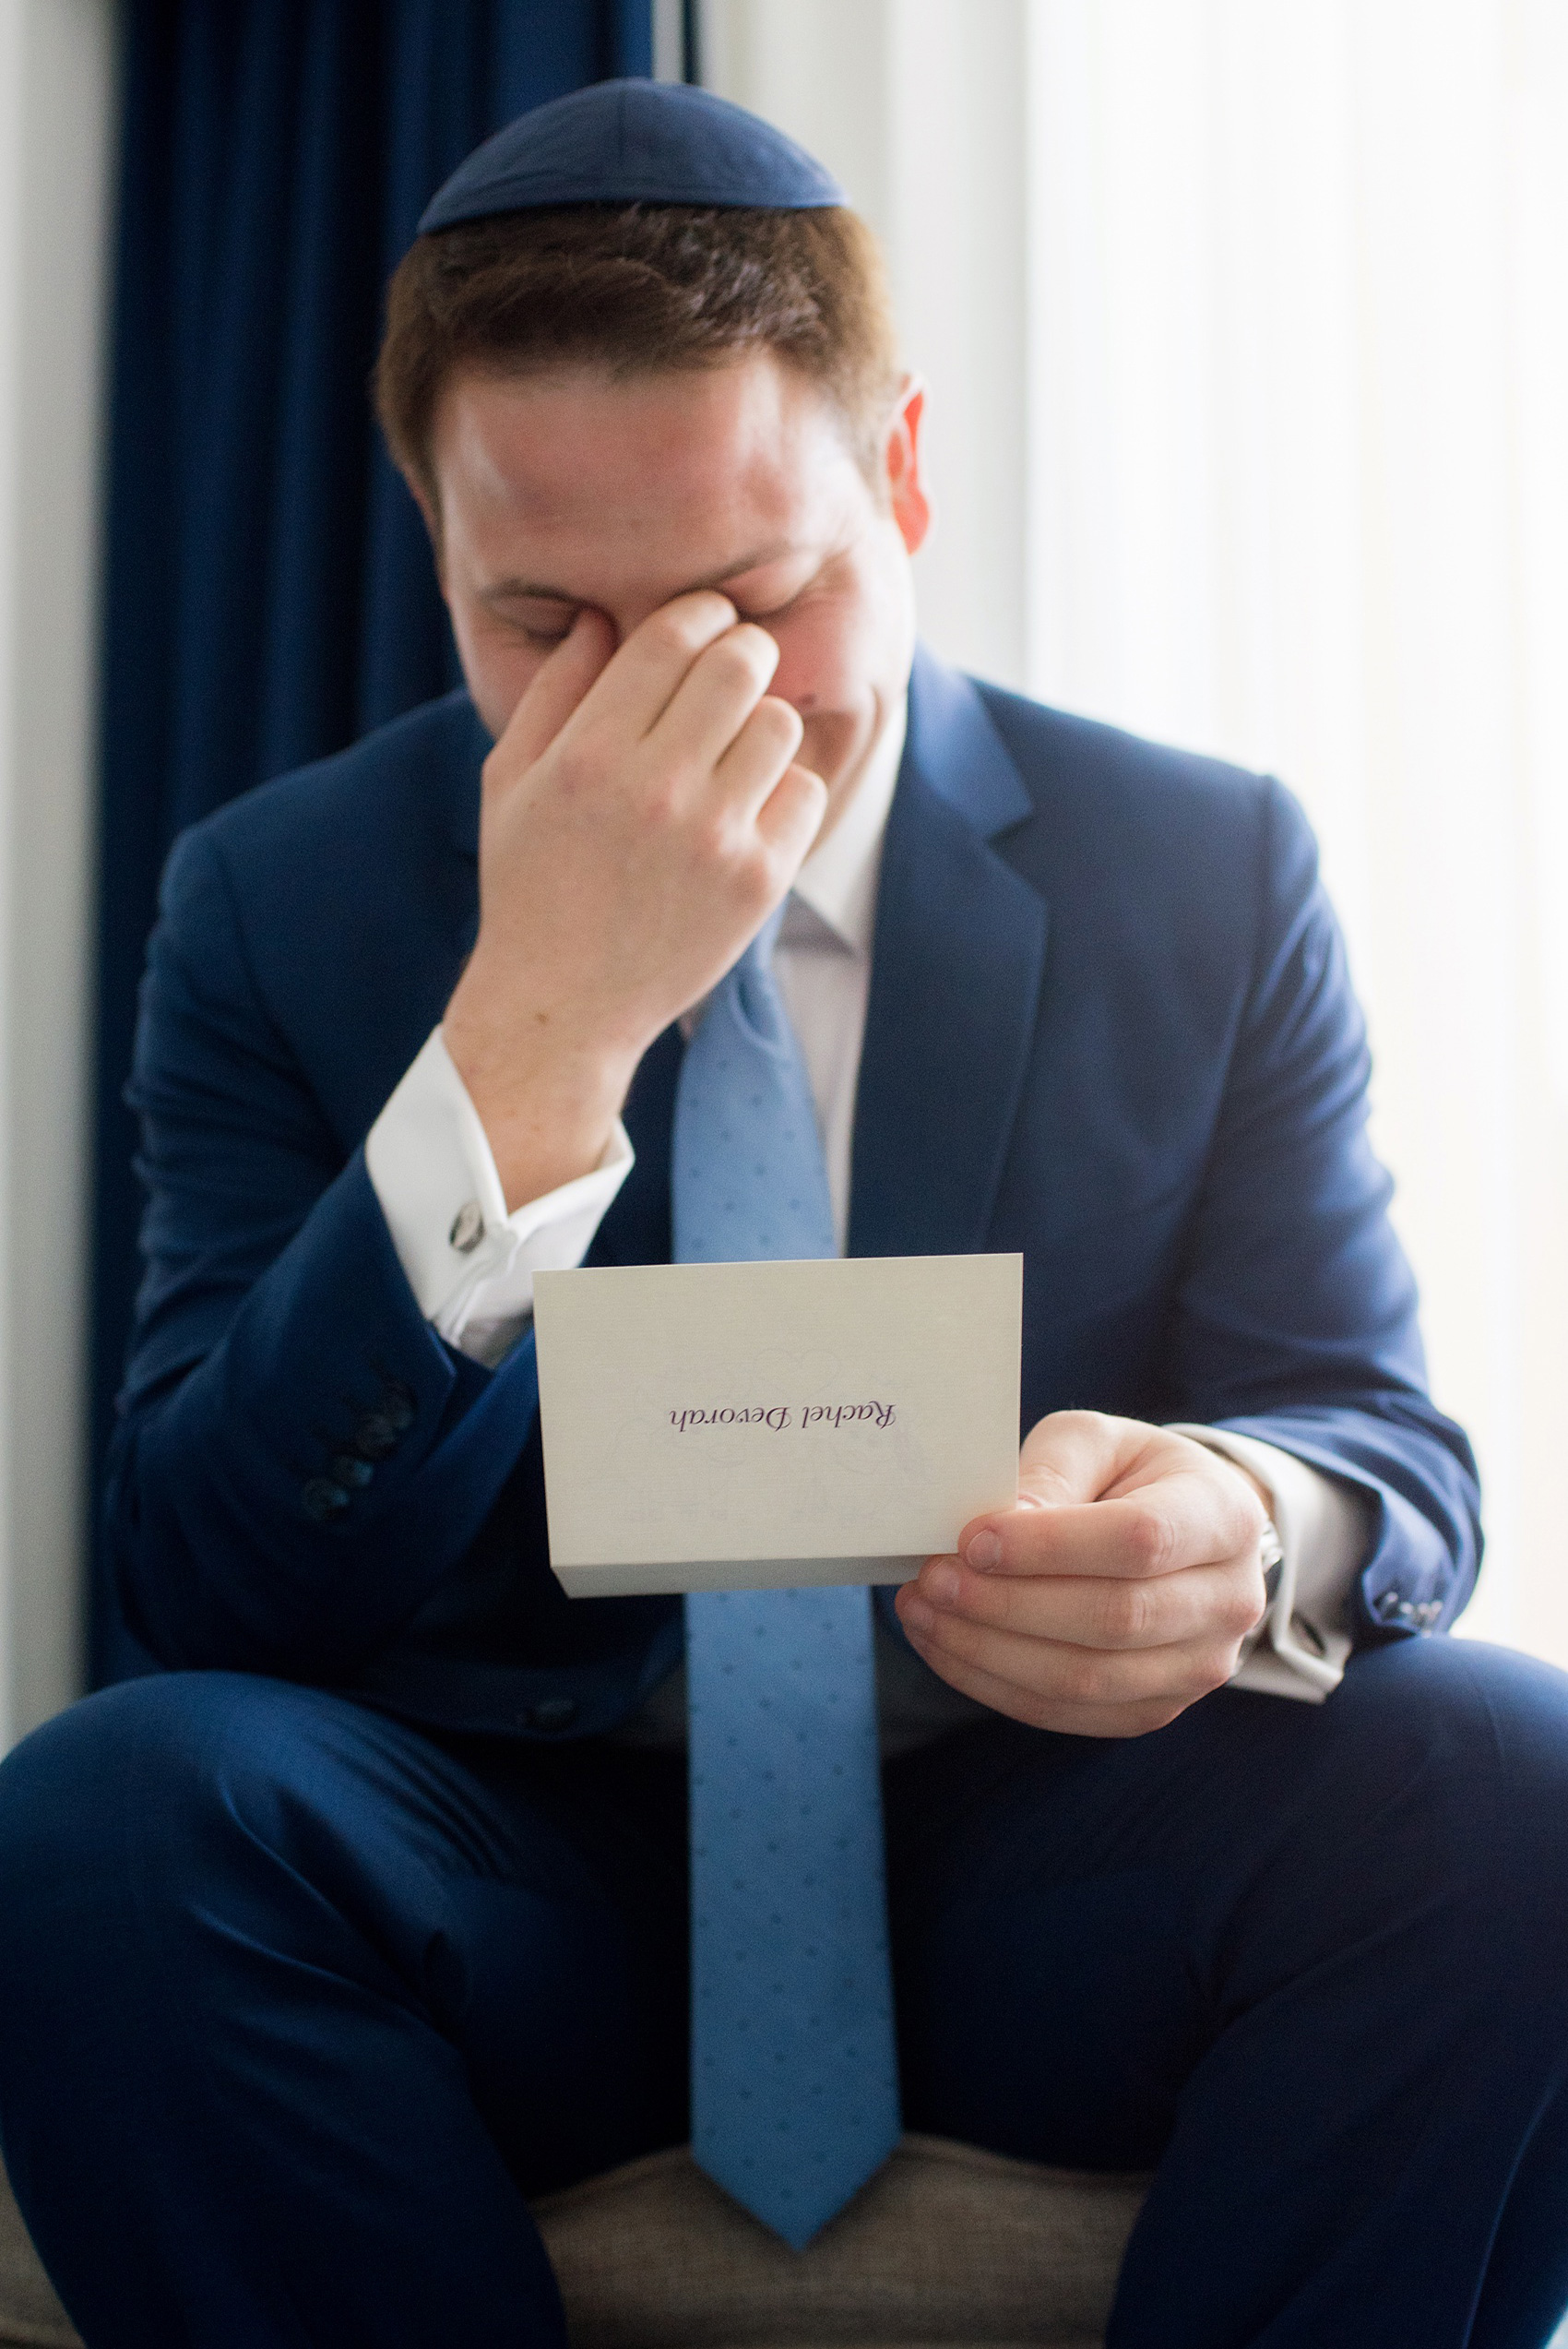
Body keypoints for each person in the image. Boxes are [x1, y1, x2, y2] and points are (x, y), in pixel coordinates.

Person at [0, 78, 1564, 2349]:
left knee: (1517, 1780)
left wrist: (1241, 1517)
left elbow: (1380, 1450)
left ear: (903, 477)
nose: (672, 705)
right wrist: (531, 1047)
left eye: (753, 596)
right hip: (518, 1876)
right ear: (431, 546)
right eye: (543, 619)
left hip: (1053, 1866)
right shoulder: (274, 899)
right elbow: (215, 1570)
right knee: (103, 1817)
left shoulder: (1199, 867)